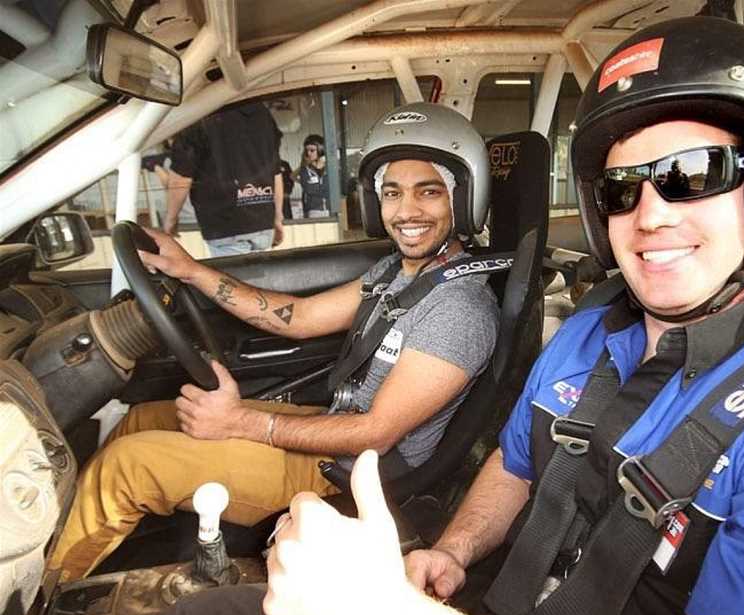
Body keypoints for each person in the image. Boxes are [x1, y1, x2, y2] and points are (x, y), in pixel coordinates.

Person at [141, 17, 744, 615]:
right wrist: (453, 550)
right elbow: (516, 466)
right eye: (621, 189)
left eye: (693, 173)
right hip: (493, 613)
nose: (651, 216)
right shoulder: (587, 335)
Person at [49, 103, 500, 582]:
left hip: (349, 471)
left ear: (462, 197)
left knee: (124, 466)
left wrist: (240, 421)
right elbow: (299, 318)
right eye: (392, 193)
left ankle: (41, 597)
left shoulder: (459, 308)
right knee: (142, 417)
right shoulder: (397, 272)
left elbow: (376, 433)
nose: (406, 211)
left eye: (427, 193)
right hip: (335, 428)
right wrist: (192, 270)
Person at [160, 102, 286, 257]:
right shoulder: (261, 112)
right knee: (257, 279)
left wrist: (170, 220)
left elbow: (181, 178)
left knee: (235, 279)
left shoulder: (199, 115)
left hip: (227, 223)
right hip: (263, 221)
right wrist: (277, 217)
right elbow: (275, 171)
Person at [297, 134, 329, 218]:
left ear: (321, 149)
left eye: (312, 150)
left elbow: (333, 189)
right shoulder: (305, 170)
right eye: (307, 150)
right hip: (313, 211)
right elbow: (309, 189)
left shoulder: (330, 169)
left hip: (330, 209)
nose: (309, 153)